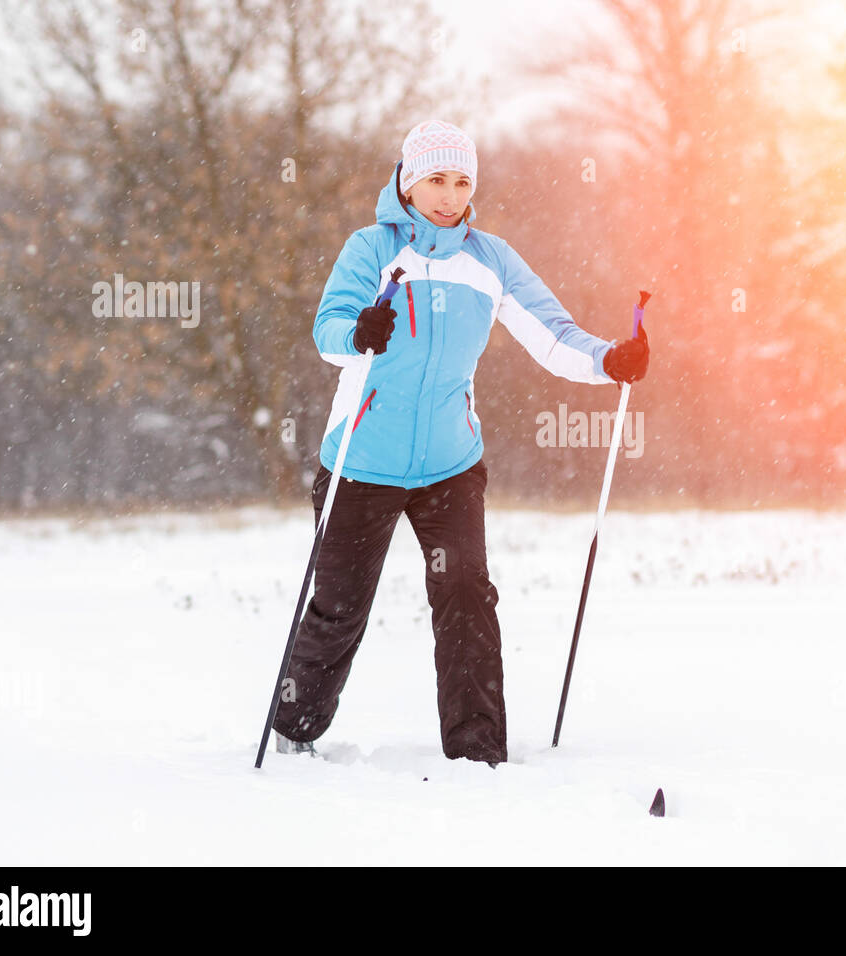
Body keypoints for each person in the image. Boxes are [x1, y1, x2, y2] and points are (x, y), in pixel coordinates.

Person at [273, 120, 650, 765]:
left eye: (462, 181)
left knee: (467, 595)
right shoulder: (371, 249)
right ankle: (295, 728)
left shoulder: (490, 260)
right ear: (408, 180)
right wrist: (359, 333)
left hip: (449, 467)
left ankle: (477, 752)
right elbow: (328, 330)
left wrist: (610, 360)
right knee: (340, 607)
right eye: (436, 180)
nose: (449, 195)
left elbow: (553, 334)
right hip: (361, 463)